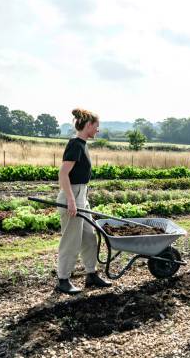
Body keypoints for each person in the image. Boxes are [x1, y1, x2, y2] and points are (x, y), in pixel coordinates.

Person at [55, 108, 112, 294]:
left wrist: (82, 200)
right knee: (71, 240)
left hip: (82, 195)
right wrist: (71, 201)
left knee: (89, 237)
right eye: (96, 126)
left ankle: (91, 274)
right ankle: (63, 279)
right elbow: (63, 174)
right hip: (72, 195)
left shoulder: (83, 144)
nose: (98, 130)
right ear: (88, 125)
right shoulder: (75, 145)